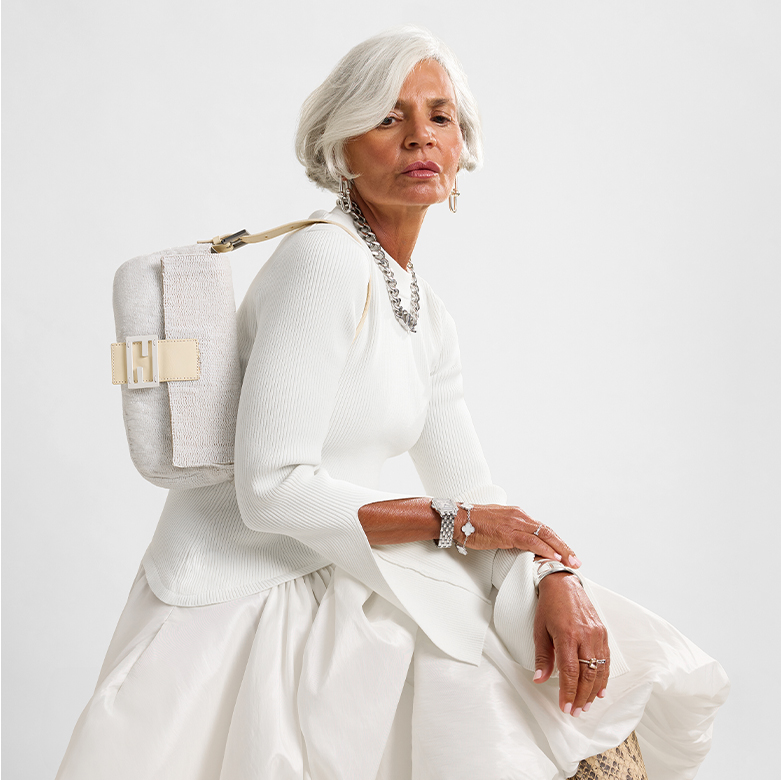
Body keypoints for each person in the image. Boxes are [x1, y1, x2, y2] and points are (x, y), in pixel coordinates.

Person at [57, 26, 728, 780]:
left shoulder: (421, 305)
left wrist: (553, 576)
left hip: (340, 571)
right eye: (386, 118)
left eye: (439, 117)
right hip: (243, 591)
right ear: (338, 149)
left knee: (510, 679)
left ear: (462, 145)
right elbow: (271, 489)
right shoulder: (323, 263)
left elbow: (472, 490)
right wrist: (462, 526)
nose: (419, 137)